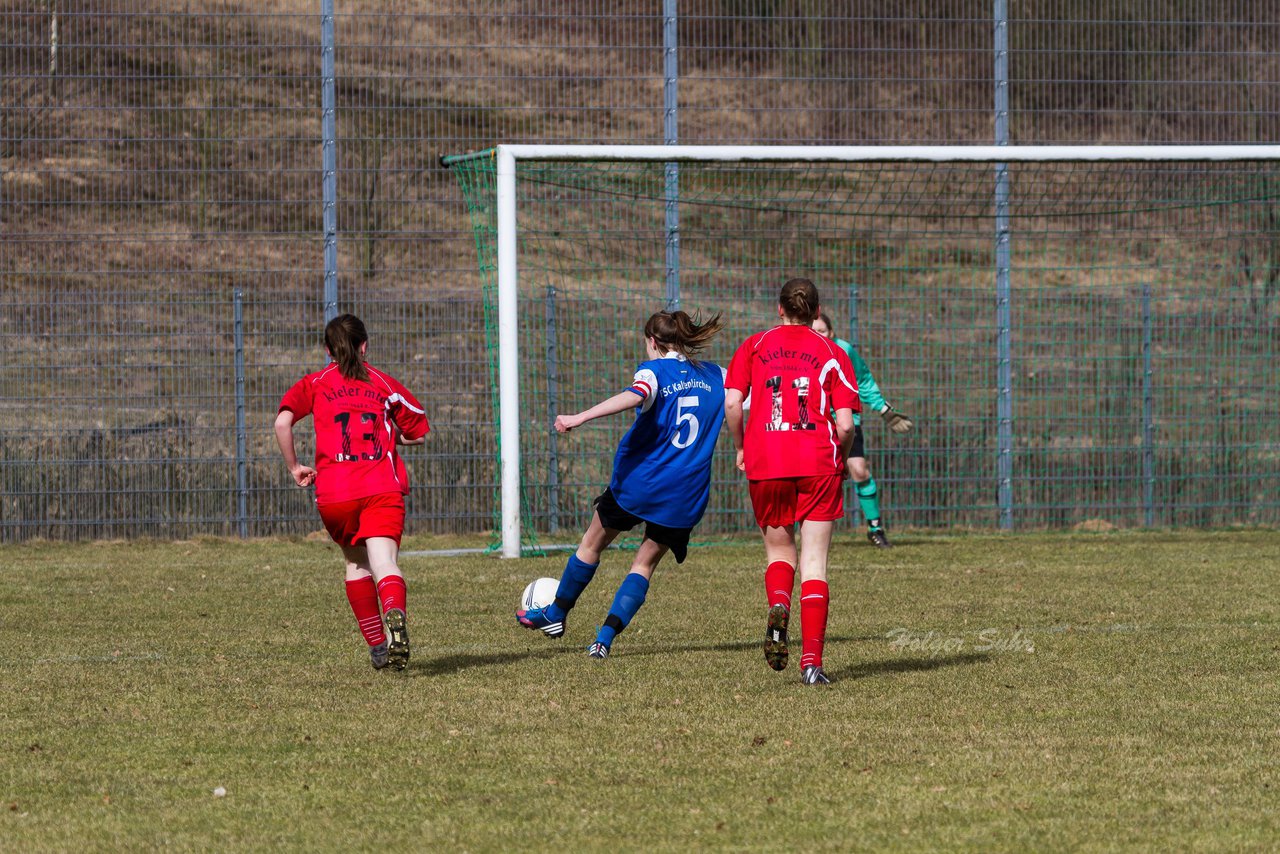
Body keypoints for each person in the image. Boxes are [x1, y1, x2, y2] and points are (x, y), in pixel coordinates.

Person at [516, 310, 726, 660]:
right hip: (685, 494)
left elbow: (636, 393)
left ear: (653, 342)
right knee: (643, 565)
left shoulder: (653, 372)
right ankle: (603, 640)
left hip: (640, 483)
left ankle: (555, 614)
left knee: (591, 545)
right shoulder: (718, 375)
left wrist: (579, 417)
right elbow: (752, 397)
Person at [274, 314, 429, 671]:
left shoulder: (315, 383)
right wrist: (390, 433)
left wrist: (295, 467)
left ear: (328, 350)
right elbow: (418, 432)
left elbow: (282, 422)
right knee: (384, 563)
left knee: (356, 563)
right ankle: (394, 612)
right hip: (380, 487)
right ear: (365, 346)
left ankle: (378, 646)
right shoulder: (383, 383)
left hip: (336, 492)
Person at [725, 278, 859, 686]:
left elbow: (732, 402)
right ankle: (812, 664)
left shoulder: (754, 345)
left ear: (779, 309)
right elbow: (846, 423)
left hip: (767, 459)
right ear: (817, 312)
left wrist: (741, 445)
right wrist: (840, 449)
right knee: (815, 562)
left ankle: (779, 607)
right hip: (817, 460)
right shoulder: (832, 351)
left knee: (780, 552)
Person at [811, 312, 914, 548]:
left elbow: (863, 380)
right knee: (813, 476)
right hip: (815, 422)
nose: (819, 336)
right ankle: (805, 529)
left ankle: (875, 528)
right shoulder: (805, 353)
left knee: (859, 470)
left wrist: (883, 408)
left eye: (823, 331)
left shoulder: (844, 350)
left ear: (832, 333)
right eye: (814, 331)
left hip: (847, 420)